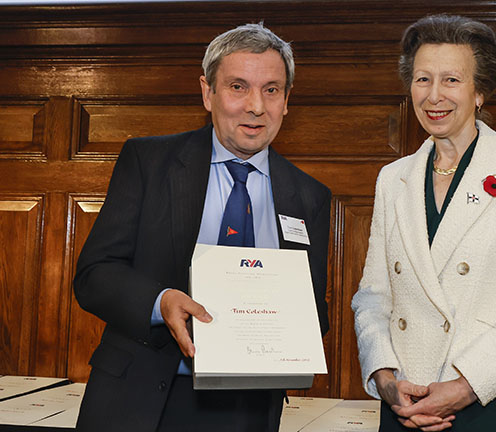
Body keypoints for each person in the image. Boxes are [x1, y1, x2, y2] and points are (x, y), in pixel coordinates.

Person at [73, 23, 331, 432]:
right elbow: (94, 275)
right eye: (238, 87)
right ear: (208, 92)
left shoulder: (310, 196)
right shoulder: (149, 162)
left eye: (271, 90)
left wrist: (297, 326)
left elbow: (314, 309)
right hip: (141, 401)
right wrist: (160, 302)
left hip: (249, 410)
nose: (256, 106)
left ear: (287, 101)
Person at [351, 14, 496, 431]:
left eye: (451, 80)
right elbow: (372, 298)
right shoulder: (392, 179)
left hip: (492, 400)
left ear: (480, 90)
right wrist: (385, 378)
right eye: (422, 79)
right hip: (405, 405)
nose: (433, 96)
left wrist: (467, 385)